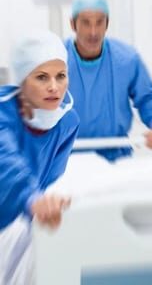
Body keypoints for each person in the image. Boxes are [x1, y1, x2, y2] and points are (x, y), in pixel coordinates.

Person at [0, 30, 79, 285]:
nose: (54, 87)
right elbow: (7, 163)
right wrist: (32, 199)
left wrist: (40, 206)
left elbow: (49, 179)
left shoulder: (68, 122)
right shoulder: (4, 113)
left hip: (21, 214)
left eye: (61, 76)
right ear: (23, 82)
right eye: (42, 77)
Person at [65, 0, 152, 162]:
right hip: (67, 159)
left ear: (107, 24)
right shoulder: (56, 60)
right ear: (73, 24)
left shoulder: (126, 59)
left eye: (99, 22)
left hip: (116, 158)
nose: (93, 32)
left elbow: (147, 96)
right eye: (86, 23)